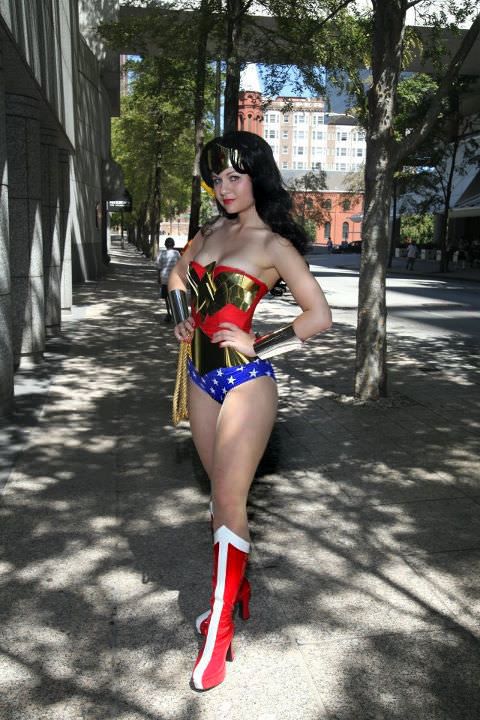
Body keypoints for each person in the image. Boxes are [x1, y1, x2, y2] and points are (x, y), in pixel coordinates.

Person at [168, 131, 331, 691]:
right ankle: (236, 590)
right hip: (199, 376)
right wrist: (181, 315)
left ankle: (218, 634)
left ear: (256, 177)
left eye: (235, 176)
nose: (224, 187)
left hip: (246, 382)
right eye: (217, 178)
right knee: (219, 498)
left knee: (228, 499)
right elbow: (177, 276)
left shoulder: (272, 244)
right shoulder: (209, 231)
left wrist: (260, 344)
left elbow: (318, 316)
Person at [155, 237, 180, 321]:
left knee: (167, 298)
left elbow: (158, 267)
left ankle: (169, 314)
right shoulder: (177, 253)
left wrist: (158, 278)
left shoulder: (161, 254)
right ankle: (175, 315)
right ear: (174, 245)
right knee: (174, 298)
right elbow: (180, 265)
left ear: (165, 245)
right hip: (175, 279)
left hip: (165, 279)